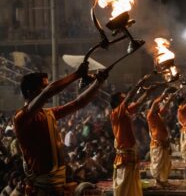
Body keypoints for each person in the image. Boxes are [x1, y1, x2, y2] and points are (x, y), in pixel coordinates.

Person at [13, 62, 108, 196]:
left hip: (58, 186)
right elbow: (48, 93)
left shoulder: (48, 113)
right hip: (43, 188)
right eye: (43, 87)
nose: (48, 89)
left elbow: (78, 103)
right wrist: (76, 75)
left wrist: (98, 82)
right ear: (30, 92)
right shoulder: (21, 117)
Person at [110, 74, 153, 196]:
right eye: (123, 99)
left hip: (131, 153)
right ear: (118, 102)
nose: (125, 99)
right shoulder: (115, 114)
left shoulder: (126, 111)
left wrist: (148, 92)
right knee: (123, 188)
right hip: (124, 155)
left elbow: (138, 102)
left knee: (132, 187)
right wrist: (140, 82)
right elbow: (130, 97)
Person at [146, 88, 177, 187]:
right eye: (157, 106)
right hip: (157, 144)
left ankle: (163, 180)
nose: (159, 106)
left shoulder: (158, 114)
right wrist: (164, 94)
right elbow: (155, 103)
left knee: (165, 164)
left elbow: (166, 106)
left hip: (164, 143)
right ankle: (158, 181)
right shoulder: (150, 115)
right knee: (157, 164)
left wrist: (171, 98)